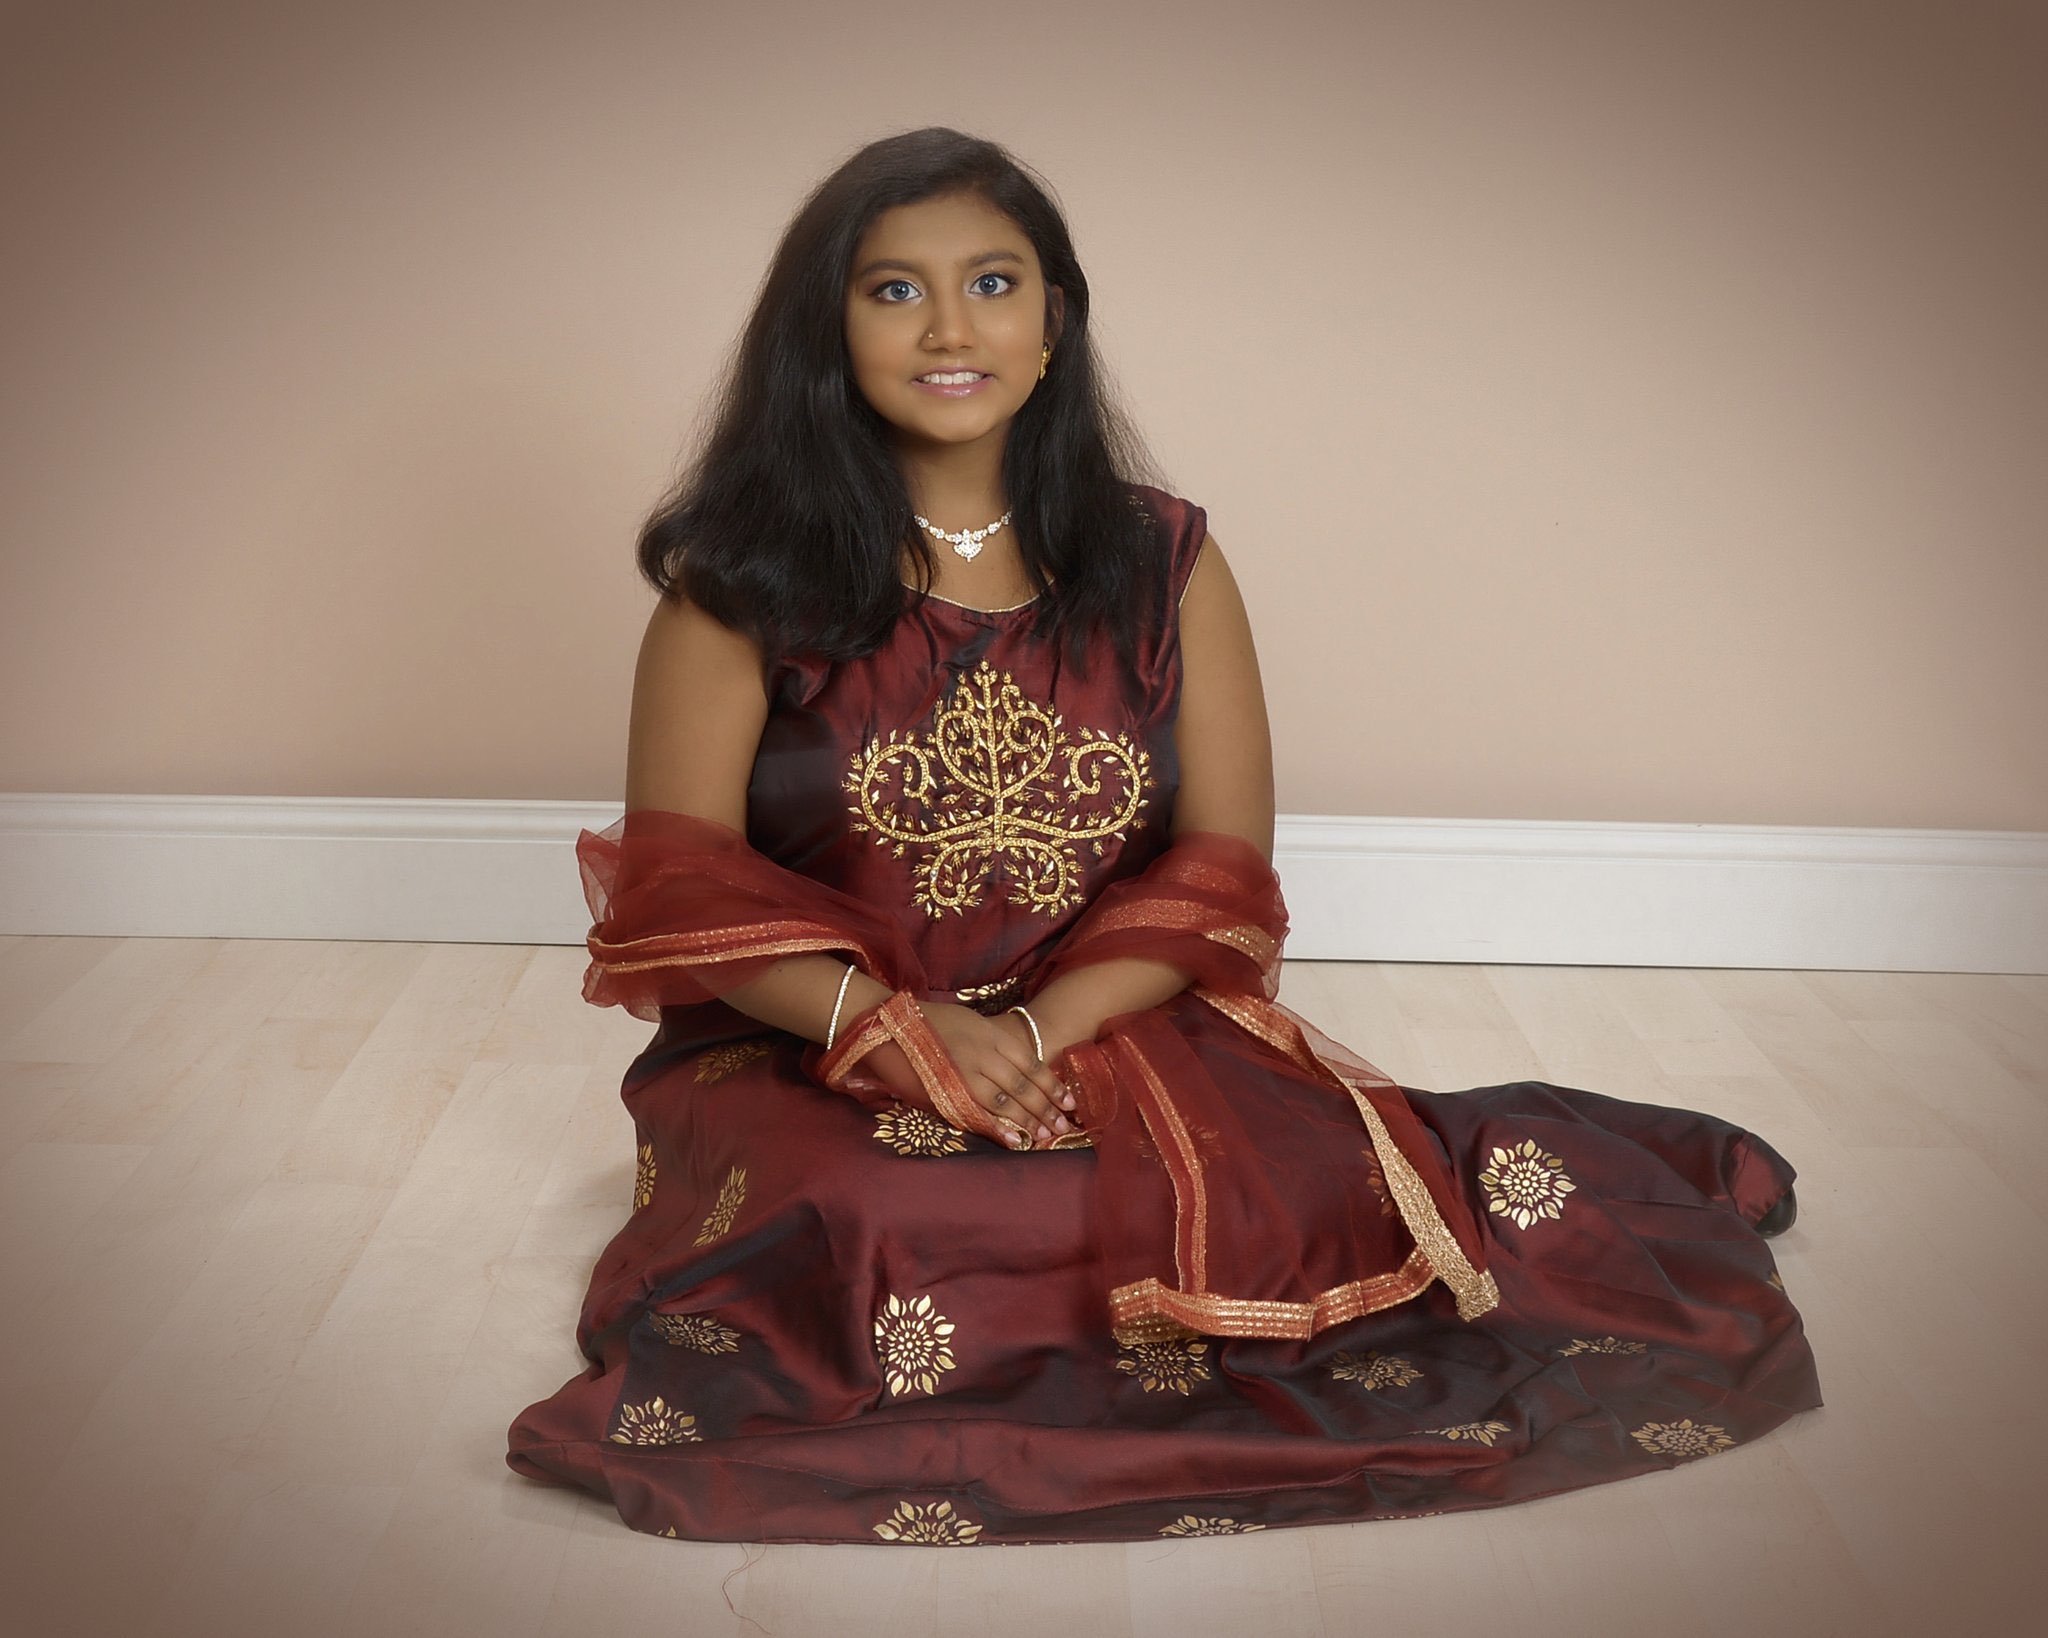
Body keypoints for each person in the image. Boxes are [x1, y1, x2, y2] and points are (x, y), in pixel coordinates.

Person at [506, 127, 1819, 1546]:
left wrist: (1044, 1030)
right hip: (810, 1045)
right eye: (893, 291)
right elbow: (679, 886)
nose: (952, 328)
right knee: (876, 1211)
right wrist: (897, 1028)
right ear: (825, 328)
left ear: (1056, 316)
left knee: (1297, 1185)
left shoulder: (1163, 563)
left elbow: (1219, 871)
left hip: (1111, 1028)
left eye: (994, 283)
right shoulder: (741, 583)